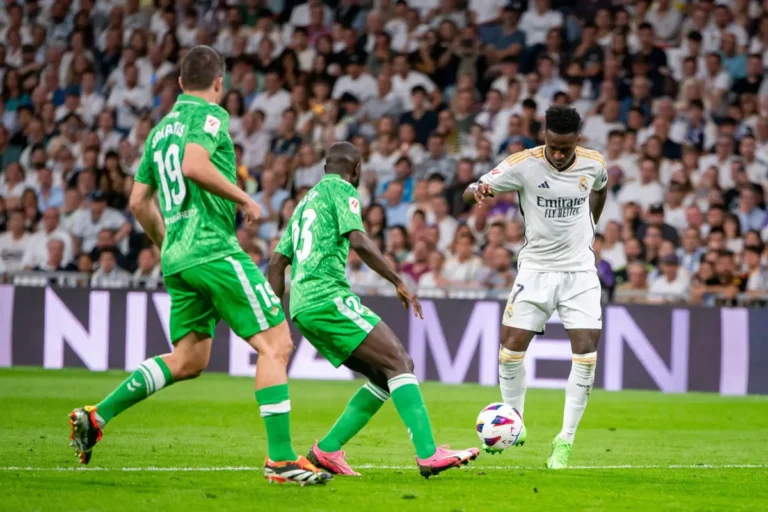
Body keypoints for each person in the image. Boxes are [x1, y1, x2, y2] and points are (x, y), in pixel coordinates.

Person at [67, 46, 329, 486]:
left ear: (178, 83)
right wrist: (243, 196)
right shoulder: (210, 116)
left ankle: (97, 417)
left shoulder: (157, 131)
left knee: (188, 359)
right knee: (277, 345)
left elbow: (138, 201)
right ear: (219, 83)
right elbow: (193, 164)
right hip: (213, 249)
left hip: (178, 258)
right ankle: (281, 460)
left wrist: (168, 243)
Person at [268, 141, 479, 479]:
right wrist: (398, 280)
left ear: (325, 169)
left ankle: (328, 450)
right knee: (400, 362)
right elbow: (360, 241)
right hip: (328, 297)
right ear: (356, 170)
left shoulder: (304, 203)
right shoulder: (343, 191)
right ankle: (428, 454)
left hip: (302, 307)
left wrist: (275, 316)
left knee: (383, 374)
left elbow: (277, 261)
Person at [463, 106, 608, 470]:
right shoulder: (523, 164)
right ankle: (516, 421)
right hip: (536, 270)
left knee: (586, 355)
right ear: (544, 135)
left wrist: (591, 225)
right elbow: (472, 189)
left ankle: (565, 441)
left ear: (577, 140)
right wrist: (476, 191)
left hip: (579, 272)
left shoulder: (593, 164)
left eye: (565, 148)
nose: (558, 154)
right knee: (509, 351)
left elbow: (601, 189)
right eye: (553, 146)